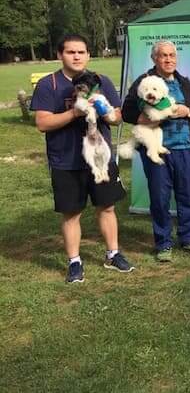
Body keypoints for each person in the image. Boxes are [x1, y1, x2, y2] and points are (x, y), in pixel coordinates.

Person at [31, 34, 134, 283]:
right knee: (71, 212)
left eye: (81, 52)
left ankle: (113, 254)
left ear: (88, 55)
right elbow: (42, 123)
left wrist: (107, 114)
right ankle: (75, 262)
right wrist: (74, 113)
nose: (76, 56)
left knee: (107, 207)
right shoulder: (49, 84)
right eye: (70, 52)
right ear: (60, 55)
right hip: (65, 160)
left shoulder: (101, 81)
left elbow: (118, 116)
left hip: (99, 157)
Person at [122, 40, 190, 262]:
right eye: (163, 56)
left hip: (185, 148)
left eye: (172, 55)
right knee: (159, 199)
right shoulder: (144, 82)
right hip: (157, 150)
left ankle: (188, 239)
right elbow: (127, 113)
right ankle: (163, 243)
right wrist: (152, 118)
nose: (169, 60)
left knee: (186, 195)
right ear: (154, 59)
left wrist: (188, 111)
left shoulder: (184, 82)